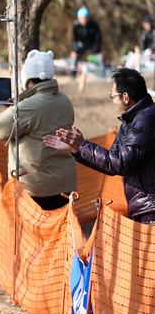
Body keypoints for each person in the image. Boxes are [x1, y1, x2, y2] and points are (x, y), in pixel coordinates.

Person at [45, 67, 155, 223]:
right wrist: (76, 150)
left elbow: (121, 164)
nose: (112, 99)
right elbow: (111, 164)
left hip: (151, 211)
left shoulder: (145, 120)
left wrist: (82, 145)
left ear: (125, 97)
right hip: (145, 210)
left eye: (113, 95)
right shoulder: (132, 118)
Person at [0, 50, 77, 210]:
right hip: (65, 185)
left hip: (36, 188)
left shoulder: (29, 106)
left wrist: (14, 109)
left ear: (27, 78)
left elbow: (0, 129)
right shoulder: (65, 101)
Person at [70, 7, 103, 78]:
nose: (84, 20)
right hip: (81, 45)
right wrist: (75, 50)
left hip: (93, 44)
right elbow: (74, 39)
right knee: (74, 56)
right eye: (82, 18)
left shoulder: (94, 25)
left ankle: (101, 75)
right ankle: (72, 75)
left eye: (85, 18)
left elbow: (98, 38)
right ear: (78, 18)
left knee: (100, 56)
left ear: (88, 18)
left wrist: (97, 50)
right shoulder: (76, 26)